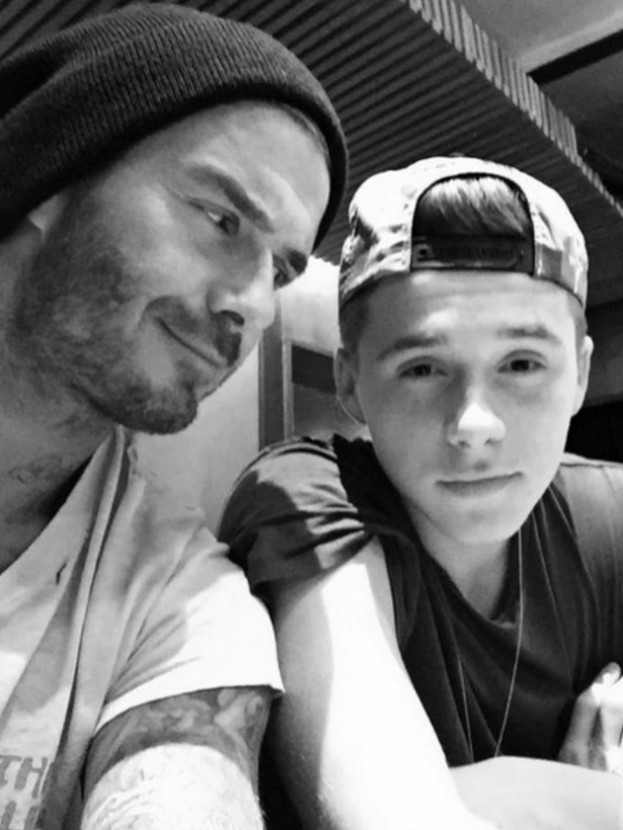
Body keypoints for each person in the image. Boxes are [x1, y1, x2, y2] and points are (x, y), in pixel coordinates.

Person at [0, 3, 348, 828]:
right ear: (54, 173)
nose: (254, 305)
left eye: (280, 270)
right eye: (222, 220)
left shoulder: (183, 595)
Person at [220, 156, 623, 830]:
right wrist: (550, 793)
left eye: (522, 363)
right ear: (350, 383)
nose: (474, 423)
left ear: (579, 375)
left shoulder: (608, 513)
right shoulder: (305, 498)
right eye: (423, 368)